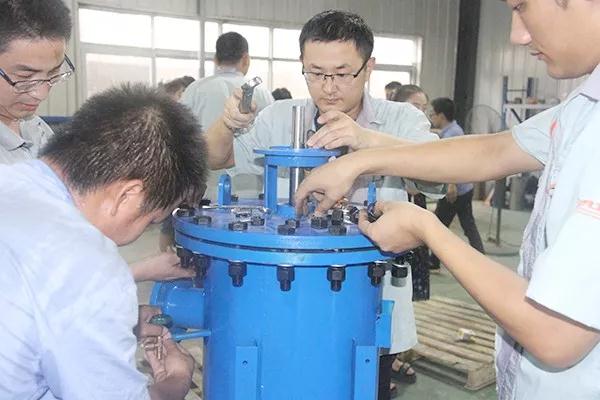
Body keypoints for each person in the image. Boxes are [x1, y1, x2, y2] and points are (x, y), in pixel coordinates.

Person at [294, 1, 600, 399]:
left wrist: (426, 228)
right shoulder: (581, 107)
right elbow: (492, 151)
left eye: (522, 6)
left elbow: (556, 333)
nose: (516, 34)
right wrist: (362, 158)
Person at [204, 10, 438, 400]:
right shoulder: (280, 117)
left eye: (342, 74)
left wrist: (368, 142)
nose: (328, 88)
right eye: (315, 73)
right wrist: (227, 123)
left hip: (369, 300)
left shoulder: (401, 120)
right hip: (282, 294)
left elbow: (438, 176)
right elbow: (216, 157)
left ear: (368, 68)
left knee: (363, 385)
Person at [0, 83, 208, 399]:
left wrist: (114, 321)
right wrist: (175, 382)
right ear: (129, 195)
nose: (144, 230)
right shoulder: (90, 266)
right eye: (151, 220)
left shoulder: (11, 180)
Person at [0, 0, 192, 282]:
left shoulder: (35, 129)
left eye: (52, 74)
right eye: (25, 77)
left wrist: (131, 276)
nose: (41, 93)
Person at [428, 97, 485, 270]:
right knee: (465, 224)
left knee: (439, 225)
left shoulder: (451, 134)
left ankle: (435, 260)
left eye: (432, 114)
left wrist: (451, 185)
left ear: (441, 116)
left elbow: (453, 162)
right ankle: (480, 256)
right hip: (464, 188)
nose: (431, 117)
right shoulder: (453, 130)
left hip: (455, 190)